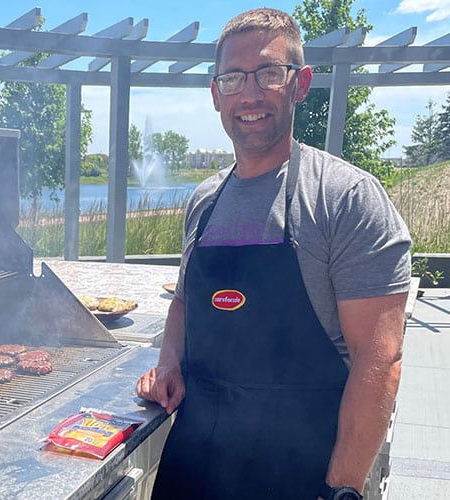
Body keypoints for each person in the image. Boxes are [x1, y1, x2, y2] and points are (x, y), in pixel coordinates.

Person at [136, 7, 411, 500]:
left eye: (268, 73)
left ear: (300, 83)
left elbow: (380, 358)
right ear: (216, 93)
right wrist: (171, 360)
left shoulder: (345, 197)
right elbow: (184, 303)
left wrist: (342, 489)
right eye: (234, 78)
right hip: (193, 466)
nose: (250, 93)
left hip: (302, 474)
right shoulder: (203, 200)